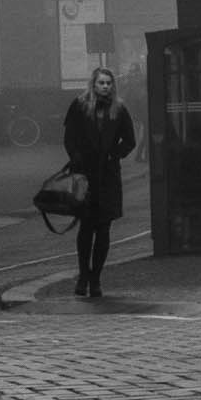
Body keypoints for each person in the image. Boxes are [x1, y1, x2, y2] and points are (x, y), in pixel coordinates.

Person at [63, 66, 137, 299]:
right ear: (93, 84)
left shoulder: (119, 109)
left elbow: (130, 140)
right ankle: (83, 276)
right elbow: (69, 137)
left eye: (108, 83)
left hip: (108, 177)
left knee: (103, 229)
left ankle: (95, 278)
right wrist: (77, 158)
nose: (105, 86)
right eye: (101, 83)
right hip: (85, 176)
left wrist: (114, 154)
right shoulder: (79, 106)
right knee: (86, 227)